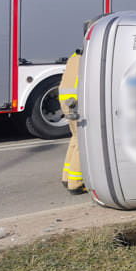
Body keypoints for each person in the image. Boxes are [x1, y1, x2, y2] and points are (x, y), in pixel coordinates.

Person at [59, 49, 84, 194]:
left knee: (75, 138)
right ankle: (76, 183)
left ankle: (67, 177)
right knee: (83, 142)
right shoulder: (90, 55)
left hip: (67, 102)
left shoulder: (75, 56)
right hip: (78, 102)